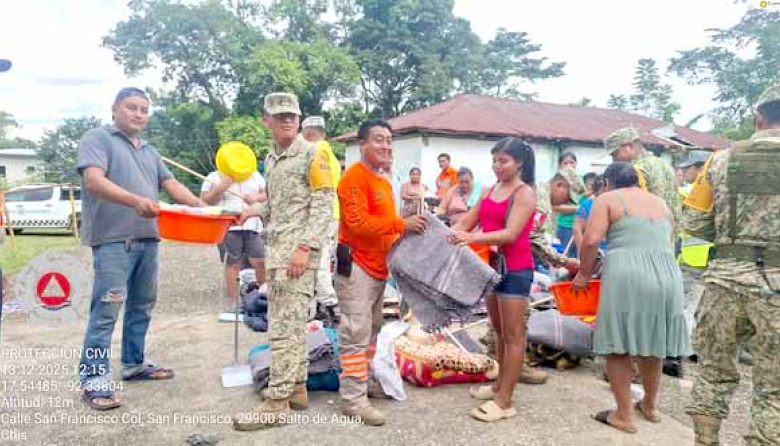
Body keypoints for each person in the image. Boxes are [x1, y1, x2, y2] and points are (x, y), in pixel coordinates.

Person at [77, 87, 206, 411]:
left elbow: (173, 186)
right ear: (114, 109)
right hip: (113, 241)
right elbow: (94, 181)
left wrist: (205, 209)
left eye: (144, 109)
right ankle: (94, 380)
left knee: (142, 306)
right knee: (106, 312)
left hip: (148, 239)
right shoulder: (98, 138)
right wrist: (136, 201)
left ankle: (133, 364)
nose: (138, 114)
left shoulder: (150, 151)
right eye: (131, 107)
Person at [684, 83, 780, 446]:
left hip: (723, 281)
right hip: (776, 289)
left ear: (758, 117)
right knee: (774, 388)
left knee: (712, 373)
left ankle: (705, 441)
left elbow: (693, 222)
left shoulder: (719, 160)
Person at [232, 93, 335, 430]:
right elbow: (276, 207)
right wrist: (252, 210)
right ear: (267, 120)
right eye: (280, 116)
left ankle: (276, 402)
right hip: (276, 253)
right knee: (289, 326)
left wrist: (305, 248)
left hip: (296, 257)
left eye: (292, 115)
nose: (288, 120)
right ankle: (298, 388)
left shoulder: (313, 154)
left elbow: (322, 205)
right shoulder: (272, 159)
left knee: (283, 331)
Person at [573, 162, 690, 434]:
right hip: (667, 273)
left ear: (607, 183)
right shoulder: (661, 203)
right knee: (652, 342)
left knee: (618, 344)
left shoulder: (608, 198)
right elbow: (669, 238)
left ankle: (624, 415)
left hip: (627, 271)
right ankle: (649, 406)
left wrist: (583, 275)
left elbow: (591, 241)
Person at [336, 119, 428, 426]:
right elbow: (358, 224)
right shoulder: (353, 179)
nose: (386, 145)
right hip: (357, 266)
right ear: (362, 145)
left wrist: (407, 223)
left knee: (373, 330)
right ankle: (352, 400)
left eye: (389, 140)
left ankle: (365, 383)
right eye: (378, 139)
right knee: (355, 333)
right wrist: (402, 224)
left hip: (378, 267)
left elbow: (386, 223)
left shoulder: (383, 180)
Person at [449, 137, 537, 422]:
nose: (497, 166)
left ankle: (505, 400)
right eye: (495, 160)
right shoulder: (489, 190)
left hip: (516, 269)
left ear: (519, 163)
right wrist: (448, 232)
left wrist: (471, 238)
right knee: (498, 331)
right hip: (493, 270)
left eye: (504, 161)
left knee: (513, 335)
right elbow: (467, 221)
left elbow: (510, 234)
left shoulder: (524, 193)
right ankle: (499, 385)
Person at [605, 127, 684, 376]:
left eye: (615, 153)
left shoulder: (637, 171)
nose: (614, 160)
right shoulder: (663, 164)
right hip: (667, 239)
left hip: (642, 243)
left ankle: (633, 365)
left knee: (636, 304)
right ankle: (669, 356)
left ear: (629, 146)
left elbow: (638, 208)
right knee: (662, 304)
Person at [200, 166, 267, 318]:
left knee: (261, 261)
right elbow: (203, 201)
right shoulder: (214, 176)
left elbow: (268, 194)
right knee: (232, 263)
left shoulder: (254, 174)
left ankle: (264, 299)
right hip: (227, 227)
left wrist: (256, 198)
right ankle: (236, 304)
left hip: (253, 225)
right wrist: (221, 188)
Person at [301, 116, 342, 320]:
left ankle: (329, 302)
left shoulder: (315, 152)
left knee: (316, 258)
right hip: (332, 213)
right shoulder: (330, 154)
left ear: (308, 133)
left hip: (320, 214)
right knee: (321, 258)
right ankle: (319, 303)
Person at [550, 167, 584, 257]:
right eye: (568, 196)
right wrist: (563, 262)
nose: (566, 201)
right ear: (559, 185)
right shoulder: (540, 202)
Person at [573, 174, 606, 253]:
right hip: (592, 251)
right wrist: (583, 252)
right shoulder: (587, 205)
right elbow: (577, 230)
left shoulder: (616, 206)